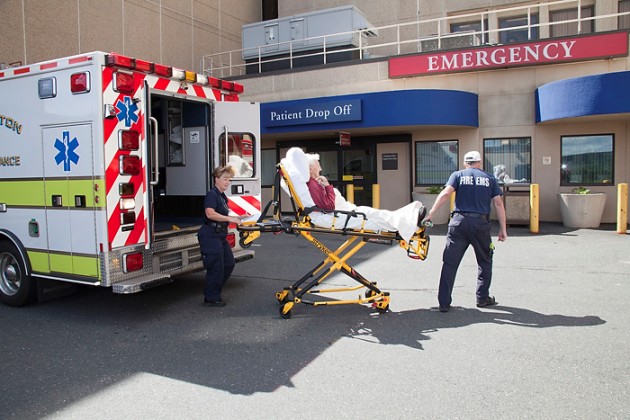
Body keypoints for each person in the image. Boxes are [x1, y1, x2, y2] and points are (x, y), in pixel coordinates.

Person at [423, 151, 508, 312]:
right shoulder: (490, 178)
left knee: (450, 263)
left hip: (459, 223)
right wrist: (503, 229)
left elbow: (446, 193)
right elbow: (498, 204)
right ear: (479, 162)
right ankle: (482, 298)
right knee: (485, 261)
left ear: (465, 163)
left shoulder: (458, 175)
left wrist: (431, 214)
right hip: (480, 224)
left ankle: (444, 303)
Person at [283, 148, 425, 243]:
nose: (320, 167)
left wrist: (326, 186)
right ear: (311, 168)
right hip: (337, 214)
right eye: (318, 165)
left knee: (375, 213)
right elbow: (329, 206)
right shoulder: (313, 185)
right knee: (375, 217)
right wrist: (328, 187)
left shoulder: (313, 183)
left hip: (341, 212)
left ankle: (409, 219)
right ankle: (408, 222)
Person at [197, 166, 245, 307]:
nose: (227, 182)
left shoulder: (221, 196)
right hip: (210, 236)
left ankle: (212, 289)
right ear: (216, 179)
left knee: (229, 263)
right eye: (224, 179)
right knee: (216, 267)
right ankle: (211, 298)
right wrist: (230, 219)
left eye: (229, 180)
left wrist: (237, 217)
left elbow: (223, 214)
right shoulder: (212, 195)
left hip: (219, 236)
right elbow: (210, 214)